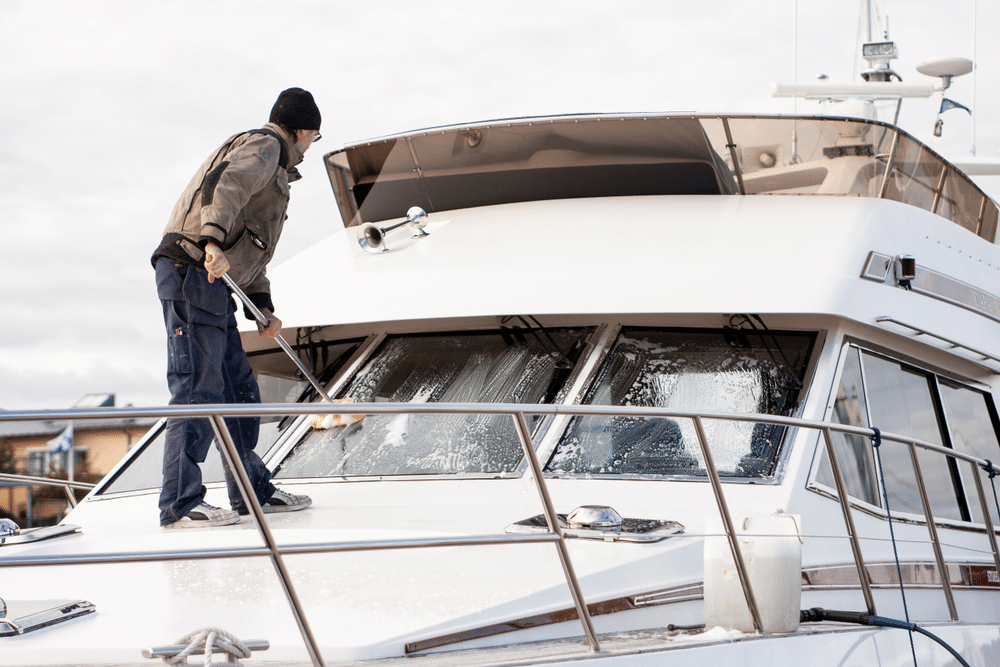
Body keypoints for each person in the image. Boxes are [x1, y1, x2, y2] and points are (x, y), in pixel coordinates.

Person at [151, 88, 322, 528]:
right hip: (193, 270)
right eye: (313, 138)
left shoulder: (274, 164)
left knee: (239, 389)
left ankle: (252, 491)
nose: (308, 148)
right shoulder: (265, 146)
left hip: (214, 281)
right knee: (196, 389)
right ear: (302, 130)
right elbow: (224, 185)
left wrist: (262, 306)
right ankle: (180, 503)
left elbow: (251, 248)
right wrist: (210, 242)